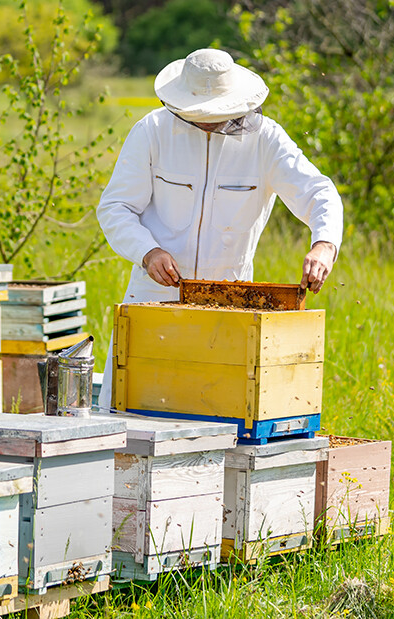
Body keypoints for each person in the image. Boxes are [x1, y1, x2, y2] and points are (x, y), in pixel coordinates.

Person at [95, 48, 344, 409]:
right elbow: (116, 207)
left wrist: (324, 244)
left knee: (217, 418)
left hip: (229, 303)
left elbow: (319, 192)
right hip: (154, 296)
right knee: (132, 416)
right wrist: (147, 251)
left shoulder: (266, 140)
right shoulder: (152, 131)